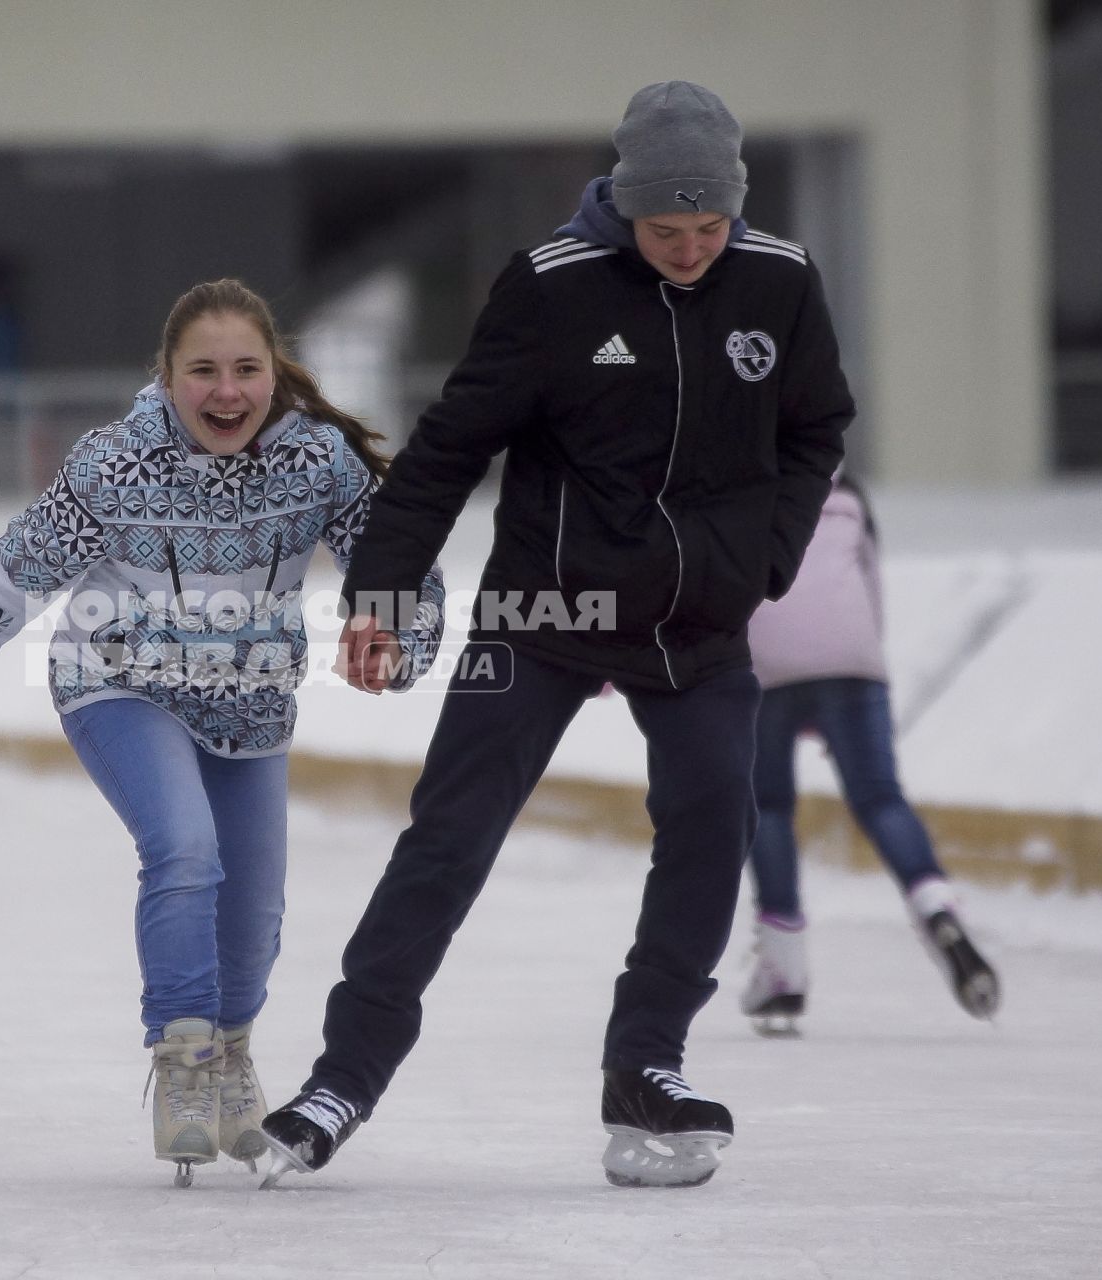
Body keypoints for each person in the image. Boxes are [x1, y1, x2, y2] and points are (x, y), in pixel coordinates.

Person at [257, 81, 854, 1190]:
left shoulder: (778, 279)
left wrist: (764, 554)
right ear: (620, 207)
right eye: (663, 229)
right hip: (543, 609)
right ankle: (344, 1073)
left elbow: (816, 422)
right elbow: (444, 452)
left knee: (710, 821)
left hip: (699, 620)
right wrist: (379, 597)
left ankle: (647, 1062)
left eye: (707, 227)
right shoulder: (552, 289)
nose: (687, 249)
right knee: (449, 834)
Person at [0, 279, 446, 1186]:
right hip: (116, 684)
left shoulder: (318, 463)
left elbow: (404, 559)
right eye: (202, 371)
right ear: (167, 379)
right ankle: (183, 1062)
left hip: (249, 705)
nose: (227, 392)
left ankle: (233, 1046)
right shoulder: (111, 464)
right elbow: (6, 578)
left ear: (272, 374)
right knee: (183, 850)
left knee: (253, 917)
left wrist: (396, 637)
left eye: (246, 369)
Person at [739, 474, 1001, 1034]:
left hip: (766, 660)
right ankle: (936, 906)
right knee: (881, 798)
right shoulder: (849, 497)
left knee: (768, 805)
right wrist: (851, 682)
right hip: (854, 660)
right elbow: (871, 590)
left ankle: (784, 969)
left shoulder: (732, 480)